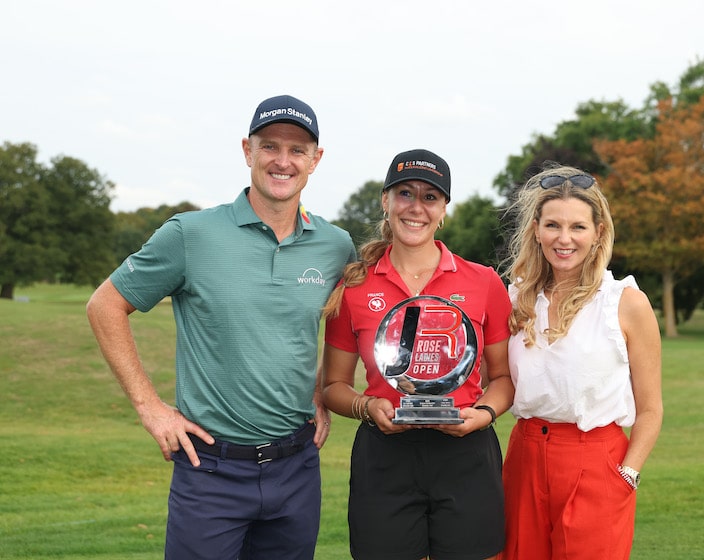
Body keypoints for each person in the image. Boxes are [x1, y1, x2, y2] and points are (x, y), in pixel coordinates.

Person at [86, 94, 356, 560]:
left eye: (297, 150)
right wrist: (150, 407)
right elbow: (104, 305)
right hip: (209, 469)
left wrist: (323, 388)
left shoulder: (335, 245)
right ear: (247, 151)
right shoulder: (191, 235)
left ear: (316, 160)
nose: (282, 161)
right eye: (269, 146)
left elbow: (345, 325)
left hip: (296, 468)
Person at [321, 148, 514, 560]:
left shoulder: (483, 282)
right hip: (385, 454)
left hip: (466, 451)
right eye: (405, 193)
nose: (416, 207)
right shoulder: (354, 287)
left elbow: (503, 380)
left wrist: (483, 415)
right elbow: (333, 386)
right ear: (386, 201)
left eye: (430, 197)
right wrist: (366, 405)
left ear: (444, 209)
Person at [497, 164, 663, 559]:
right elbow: (494, 379)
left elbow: (652, 408)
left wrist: (629, 474)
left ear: (598, 232)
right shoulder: (515, 299)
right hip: (524, 459)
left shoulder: (625, 302)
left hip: (597, 462)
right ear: (536, 230)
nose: (564, 238)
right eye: (553, 225)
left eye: (578, 227)